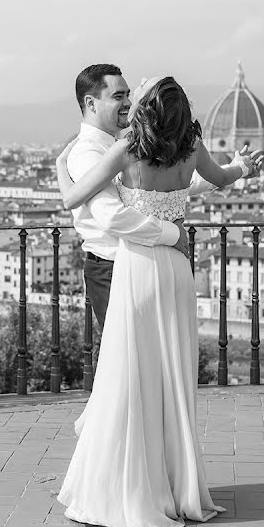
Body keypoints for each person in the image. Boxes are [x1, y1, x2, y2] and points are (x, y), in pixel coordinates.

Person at [55, 75, 263, 527]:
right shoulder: (190, 145)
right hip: (176, 269)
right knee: (172, 377)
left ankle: (126, 487)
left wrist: (59, 163)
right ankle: (176, 487)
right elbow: (221, 178)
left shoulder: (129, 147)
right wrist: (243, 168)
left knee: (130, 378)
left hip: (136, 267)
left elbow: (74, 197)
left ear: (147, 104)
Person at [64, 64, 190, 333]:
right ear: (91, 103)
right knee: (127, 360)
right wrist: (173, 234)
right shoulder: (88, 153)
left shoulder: (118, 145)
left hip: (134, 264)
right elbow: (112, 217)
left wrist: (229, 173)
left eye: (128, 95)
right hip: (112, 268)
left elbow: (147, 194)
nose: (129, 103)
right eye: (118, 96)